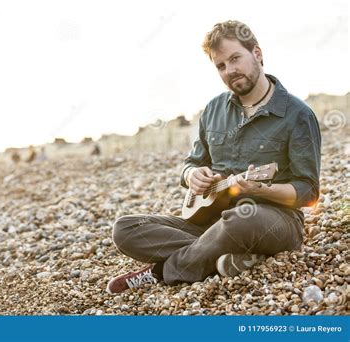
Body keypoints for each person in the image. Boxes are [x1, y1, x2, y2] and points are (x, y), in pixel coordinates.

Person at [107, 20, 321, 294]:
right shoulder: (213, 110)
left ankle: (161, 271)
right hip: (209, 221)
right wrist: (191, 175)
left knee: (242, 218)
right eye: (220, 65)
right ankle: (223, 257)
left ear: (257, 53)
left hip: (271, 220)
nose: (230, 70)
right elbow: (192, 163)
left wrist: (261, 189)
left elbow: (309, 191)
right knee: (125, 228)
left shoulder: (297, 115)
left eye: (235, 58)